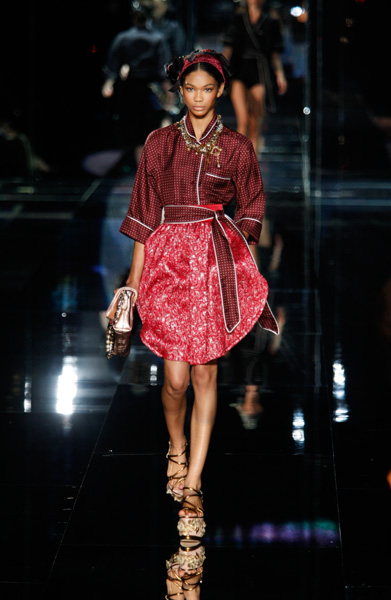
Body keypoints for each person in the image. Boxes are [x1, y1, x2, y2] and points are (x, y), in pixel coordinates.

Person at [119, 49, 279, 523]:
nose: (198, 97)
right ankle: (177, 445)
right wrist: (131, 283)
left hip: (212, 263)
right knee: (174, 380)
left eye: (207, 89)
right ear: (180, 90)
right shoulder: (159, 143)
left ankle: (193, 482)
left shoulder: (236, 147)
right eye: (190, 89)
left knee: (205, 375)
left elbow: (252, 202)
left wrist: (240, 253)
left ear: (220, 90)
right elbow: (144, 215)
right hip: (166, 263)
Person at [101, 1, 167, 167]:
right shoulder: (157, 38)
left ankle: (144, 169)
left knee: (138, 133)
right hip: (149, 90)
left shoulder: (123, 38)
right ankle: (147, 170)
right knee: (148, 130)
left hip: (130, 90)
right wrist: (168, 91)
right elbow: (163, 69)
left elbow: (112, 64)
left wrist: (109, 82)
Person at [222, 0, 287, 153]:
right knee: (243, 120)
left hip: (260, 71)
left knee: (255, 122)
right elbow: (228, 49)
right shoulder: (237, 19)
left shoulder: (271, 22)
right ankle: (240, 161)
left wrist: (280, 75)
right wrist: (220, 71)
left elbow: (275, 54)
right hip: (239, 69)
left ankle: (252, 161)